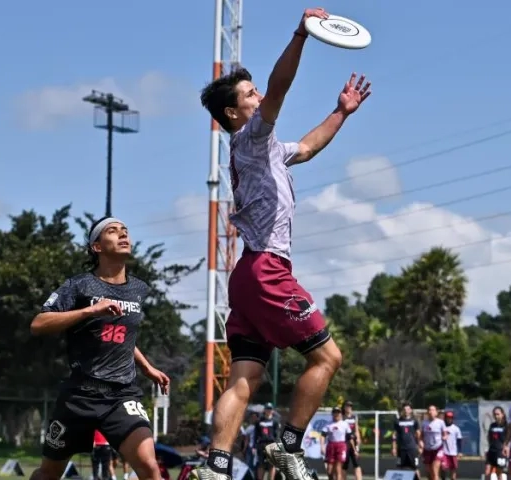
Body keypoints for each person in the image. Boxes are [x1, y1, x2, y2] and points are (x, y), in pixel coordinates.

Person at [193, 6, 372, 480]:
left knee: (244, 378)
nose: (259, 97)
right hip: (268, 270)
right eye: (250, 94)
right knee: (327, 356)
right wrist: (302, 34)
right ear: (234, 112)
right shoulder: (250, 139)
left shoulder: (265, 149)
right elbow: (281, 87)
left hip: (247, 277)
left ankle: (215, 466)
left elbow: (309, 146)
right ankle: (288, 446)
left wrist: (341, 112)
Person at [29, 217, 171, 480]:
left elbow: (123, 338)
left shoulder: (138, 289)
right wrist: (89, 310)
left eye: (125, 231)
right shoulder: (79, 285)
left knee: (150, 468)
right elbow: (38, 324)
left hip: (121, 395)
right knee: (49, 473)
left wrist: (148, 367)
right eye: (113, 231)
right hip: (79, 396)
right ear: (97, 247)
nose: (123, 234)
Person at [392, 403, 422, 478]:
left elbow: (418, 434)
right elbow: (394, 435)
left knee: (415, 468)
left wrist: (419, 445)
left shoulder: (414, 421)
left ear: (411, 410)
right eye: (404, 409)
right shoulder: (397, 421)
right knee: (400, 468)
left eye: (408, 409)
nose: (406, 411)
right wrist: (394, 447)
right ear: (402, 410)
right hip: (401, 449)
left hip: (412, 449)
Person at [254, 404, 281, 480]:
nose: (269, 411)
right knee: (261, 464)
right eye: (267, 409)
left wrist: (277, 446)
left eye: (270, 409)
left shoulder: (275, 421)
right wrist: (254, 446)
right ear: (264, 410)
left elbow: (277, 435)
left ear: (272, 410)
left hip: (271, 444)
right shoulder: (259, 421)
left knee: (272, 465)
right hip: (261, 444)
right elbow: (256, 434)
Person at [422, 406, 446, 480]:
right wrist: (420, 443)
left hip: (438, 448)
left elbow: (445, 434)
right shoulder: (424, 423)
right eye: (429, 410)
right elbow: (421, 436)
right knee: (429, 472)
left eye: (432, 410)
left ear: (436, 412)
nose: (430, 412)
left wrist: (444, 437)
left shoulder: (440, 422)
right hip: (427, 449)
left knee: (435, 471)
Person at [485, 407, 508, 480]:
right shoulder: (492, 425)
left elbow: (508, 438)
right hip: (491, 451)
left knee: (499, 473)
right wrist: (489, 447)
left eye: (498, 414)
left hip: (500, 452)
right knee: (487, 472)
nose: (496, 416)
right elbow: (489, 437)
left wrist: (506, 448)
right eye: (494, 414)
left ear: (502, 414)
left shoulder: (506, 425)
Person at [342, 401, 363, 480]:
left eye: (350, 406)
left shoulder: (354, 417)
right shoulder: (342, 417)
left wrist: (359, 439)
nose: (349, 408)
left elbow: (356, 429)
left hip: (354, 443)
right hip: (345, 443)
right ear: (344, 407)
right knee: (344, 465)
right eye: (347, 406)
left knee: (357, 464)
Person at [440, 411, 462, 480]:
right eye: (447, 418)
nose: (449, 419)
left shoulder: (456, 429)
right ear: (445, 418)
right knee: (443, 469)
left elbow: (459, 441)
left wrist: (460, 452)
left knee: (453, 473)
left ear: (452, 419)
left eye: (450, 418)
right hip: (443, 452)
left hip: (453, 453)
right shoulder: (441, 428)